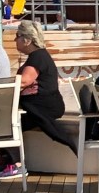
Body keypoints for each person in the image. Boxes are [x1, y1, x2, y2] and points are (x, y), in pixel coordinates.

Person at [7, 19, 77, 177]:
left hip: (43, 108)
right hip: (45, 106)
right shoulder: (40, 55)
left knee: (7, 125)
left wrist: (2, 87)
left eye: (17, 36)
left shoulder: (37, 57)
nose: (15, 39)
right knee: (10, 123)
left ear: (27, 40)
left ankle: (16, 165)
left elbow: (24, 81)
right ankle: (12, 162)